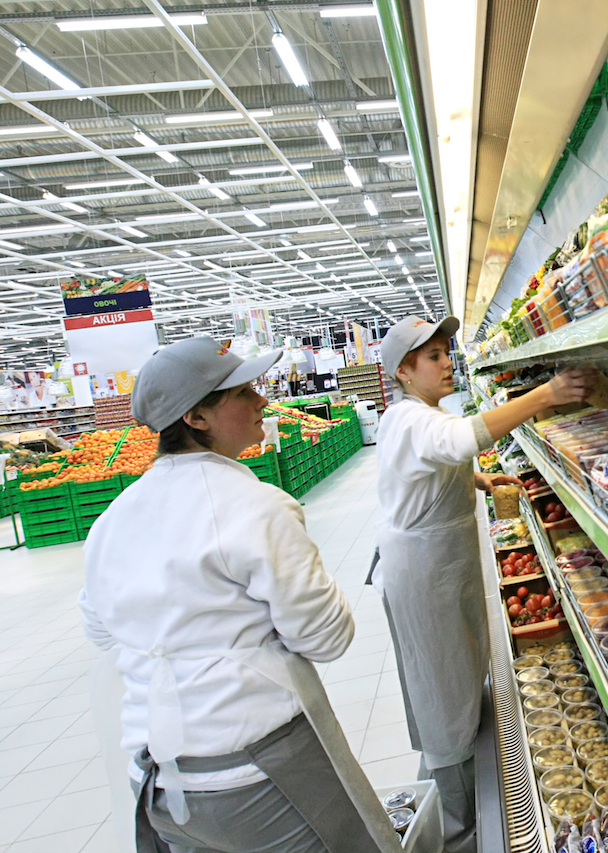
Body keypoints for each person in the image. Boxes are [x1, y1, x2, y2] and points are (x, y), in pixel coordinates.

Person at [80, 337, 402, 853]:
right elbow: (326, 638)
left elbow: (101, 629)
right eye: (242, 392)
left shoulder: (111, 521)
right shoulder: (256, 505)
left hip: (158, 783)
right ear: (196, 417)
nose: (262, 400)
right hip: (257, 772)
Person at [374, 315, 597, 853]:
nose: (446, 362)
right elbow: (461, 439)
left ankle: (456, 782)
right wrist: (546, 393)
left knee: (456, 674)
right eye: (433, 356)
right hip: (425, 575)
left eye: (445, 352)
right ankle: (457, 826)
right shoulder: (411, 418)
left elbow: (433, 464)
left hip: (439, 565)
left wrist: (478, 478)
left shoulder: (418, 414)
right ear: (404, 371)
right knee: (442, 691)